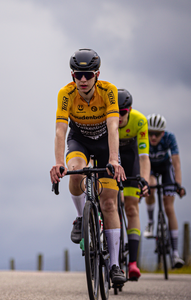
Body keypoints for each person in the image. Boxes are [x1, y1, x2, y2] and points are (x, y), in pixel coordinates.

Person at [50, 48, 126, 284]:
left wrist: (114, 158)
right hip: (79, 139)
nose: (82, 79)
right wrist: (59, 163)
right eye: (78, 75)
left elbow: (114, 127)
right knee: (75, 171)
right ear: (73, 75)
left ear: (97, 74)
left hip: (105, 142)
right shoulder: (66, 93)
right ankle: (80, 218)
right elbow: (60, 130)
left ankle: (114, 265)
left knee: (110, 203)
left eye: (88, 74)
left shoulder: (109, 91)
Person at [144, 114, 186, 268]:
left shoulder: (170, 138)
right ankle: (150, 222)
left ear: (163, 133)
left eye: (157, 133)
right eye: (150, 133)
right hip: (149, 168)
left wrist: (178, 185)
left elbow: (176, 164)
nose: (153, 137)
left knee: (169, 207)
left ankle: (175, 254)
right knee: (151, 185)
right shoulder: (142, 137)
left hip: (165, 168)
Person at [117, 89, 150, 280]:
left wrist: (144, 179)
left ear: (129, 110)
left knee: (131, 208)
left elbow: (144, 157)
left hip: (131, 159)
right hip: (111, 157)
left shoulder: (139, 120)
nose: (119, 117)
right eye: (116, 113)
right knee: (109, 202)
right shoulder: (107, 118)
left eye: (123, 113)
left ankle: (133, 263)